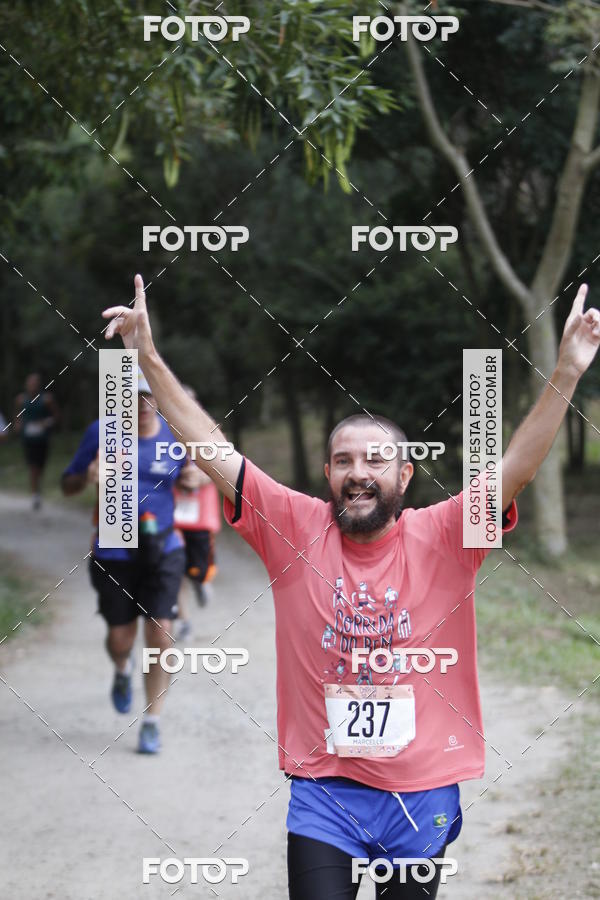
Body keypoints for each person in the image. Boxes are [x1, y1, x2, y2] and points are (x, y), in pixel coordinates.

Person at [103, 275, 599, 896]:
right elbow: (211, 448)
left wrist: (567, 374)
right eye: (343, 461)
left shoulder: (448, 535)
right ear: (329, 472)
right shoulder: (292, 526)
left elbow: (516, 469)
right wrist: (147, 358)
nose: (357, 474)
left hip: (421, 790)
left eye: (374, 461)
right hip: (323, 793)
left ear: (405, 474)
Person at [61, 369, 202, 754]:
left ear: (158, 397)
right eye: (133, 395)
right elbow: (67, 483)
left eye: (148, 394)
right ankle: (122, 670)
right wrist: (86, 477)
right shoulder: (100, 433)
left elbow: (200, 474)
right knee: (120, 638)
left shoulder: (176, 433)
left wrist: (193, 480)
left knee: (161, 633)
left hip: (162, 547)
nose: (141, 403)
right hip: (114, 550)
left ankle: (152, 720)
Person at [173, 385, 221, 641]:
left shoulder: (209, 434)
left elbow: (225, 469)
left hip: (201, 516)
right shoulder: (162, 435)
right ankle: (184, 622)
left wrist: (201, 478)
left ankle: (201, 580)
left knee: (197, 569)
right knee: (174, 567)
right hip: (171, 516)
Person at [14, 373, 59, 509]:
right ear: (26, 384)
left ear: (39, 385)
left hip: (43, 438)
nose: (32, 385)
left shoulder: (47, 399)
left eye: (35, 383)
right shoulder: (21, 399)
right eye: (30, 383)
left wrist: (47, 422)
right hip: (28, 438)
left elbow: (56, 416)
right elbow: (17, 416)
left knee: (40, 466)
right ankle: (35, 495)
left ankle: (37, 489)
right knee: (32, 466)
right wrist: (17, 425)